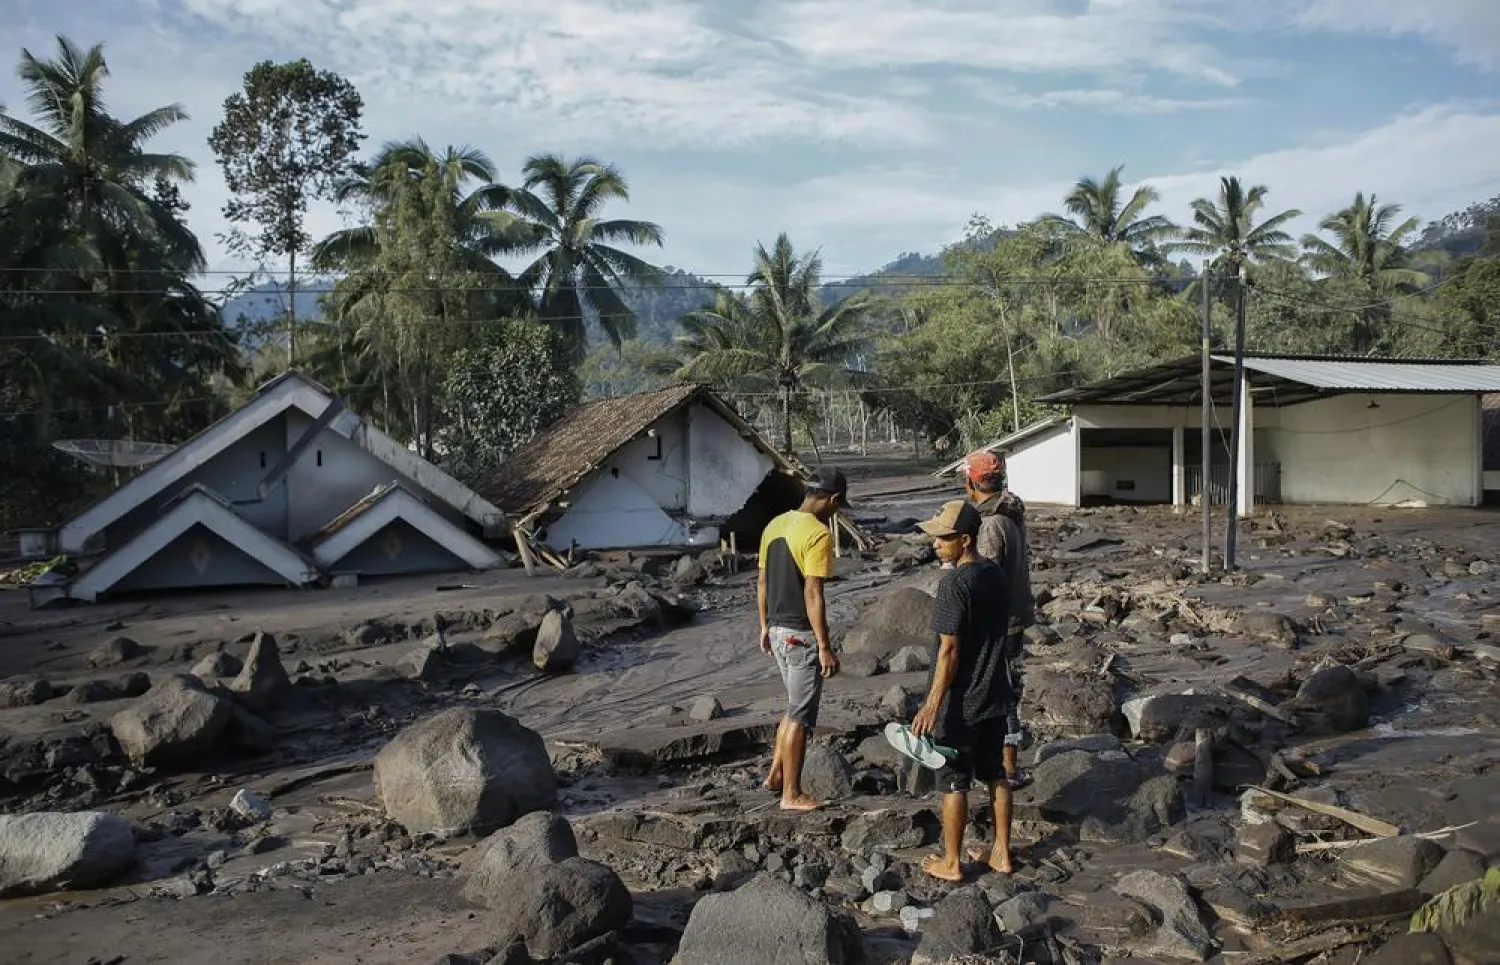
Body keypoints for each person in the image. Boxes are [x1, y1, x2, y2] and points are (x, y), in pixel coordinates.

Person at [911, 499, 1016, 880]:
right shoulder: (995, 574)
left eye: (944, 538)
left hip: (963, 699)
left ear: (966, 540)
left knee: (953, 781)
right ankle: (1002, 852)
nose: (936, 543)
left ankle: (952, 862)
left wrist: (932, 705)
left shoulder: (955, 582)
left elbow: (949, 651)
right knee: (996, 774)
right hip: (995, 692)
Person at [758, 467, 846, 811]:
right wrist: (824, 646)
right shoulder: (819, 534)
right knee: (799, 715)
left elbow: (762, 582)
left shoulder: (775, 524)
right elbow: (813, 593)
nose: (836, 512)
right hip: (800, 635)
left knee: (793, 706)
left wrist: (764, 626)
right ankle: (791, 795)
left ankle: (776, 775)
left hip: (778, 630)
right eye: (838, 506)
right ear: (831, 499)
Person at [961, 449, 1035, 790]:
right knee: (1003, 689)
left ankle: (1005, 768)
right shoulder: (1009, 514)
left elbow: (983, 580)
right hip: (1013, 618)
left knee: (997, 693)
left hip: (996, 624)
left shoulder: (989, 524)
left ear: (971, 482)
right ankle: (1004, 763)